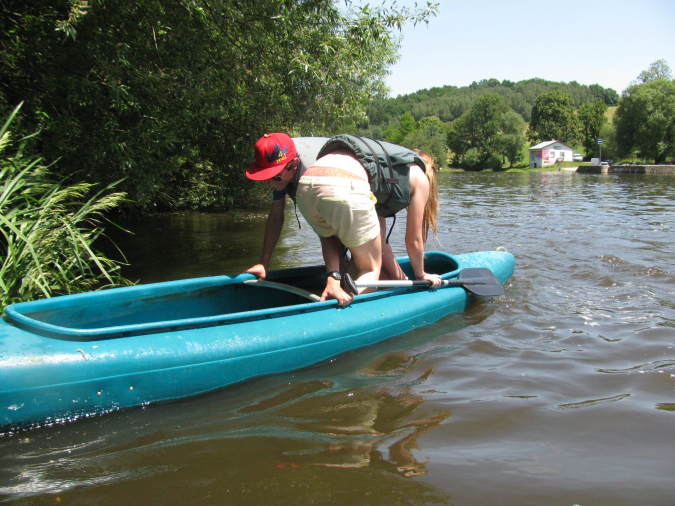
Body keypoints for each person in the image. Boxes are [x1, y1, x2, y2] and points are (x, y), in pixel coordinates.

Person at [244, 133, 381, 306]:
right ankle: (339, 290)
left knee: (368, 261)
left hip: (346, 187)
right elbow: (276, 217)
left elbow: (373, 215)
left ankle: (364, 293)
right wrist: (264, 262)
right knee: (341, 249)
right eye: (266, 177)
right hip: (328, 196)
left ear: (293, 165)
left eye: (275, 177)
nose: (271, 183)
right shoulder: (281, 173)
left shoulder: (310, 170)